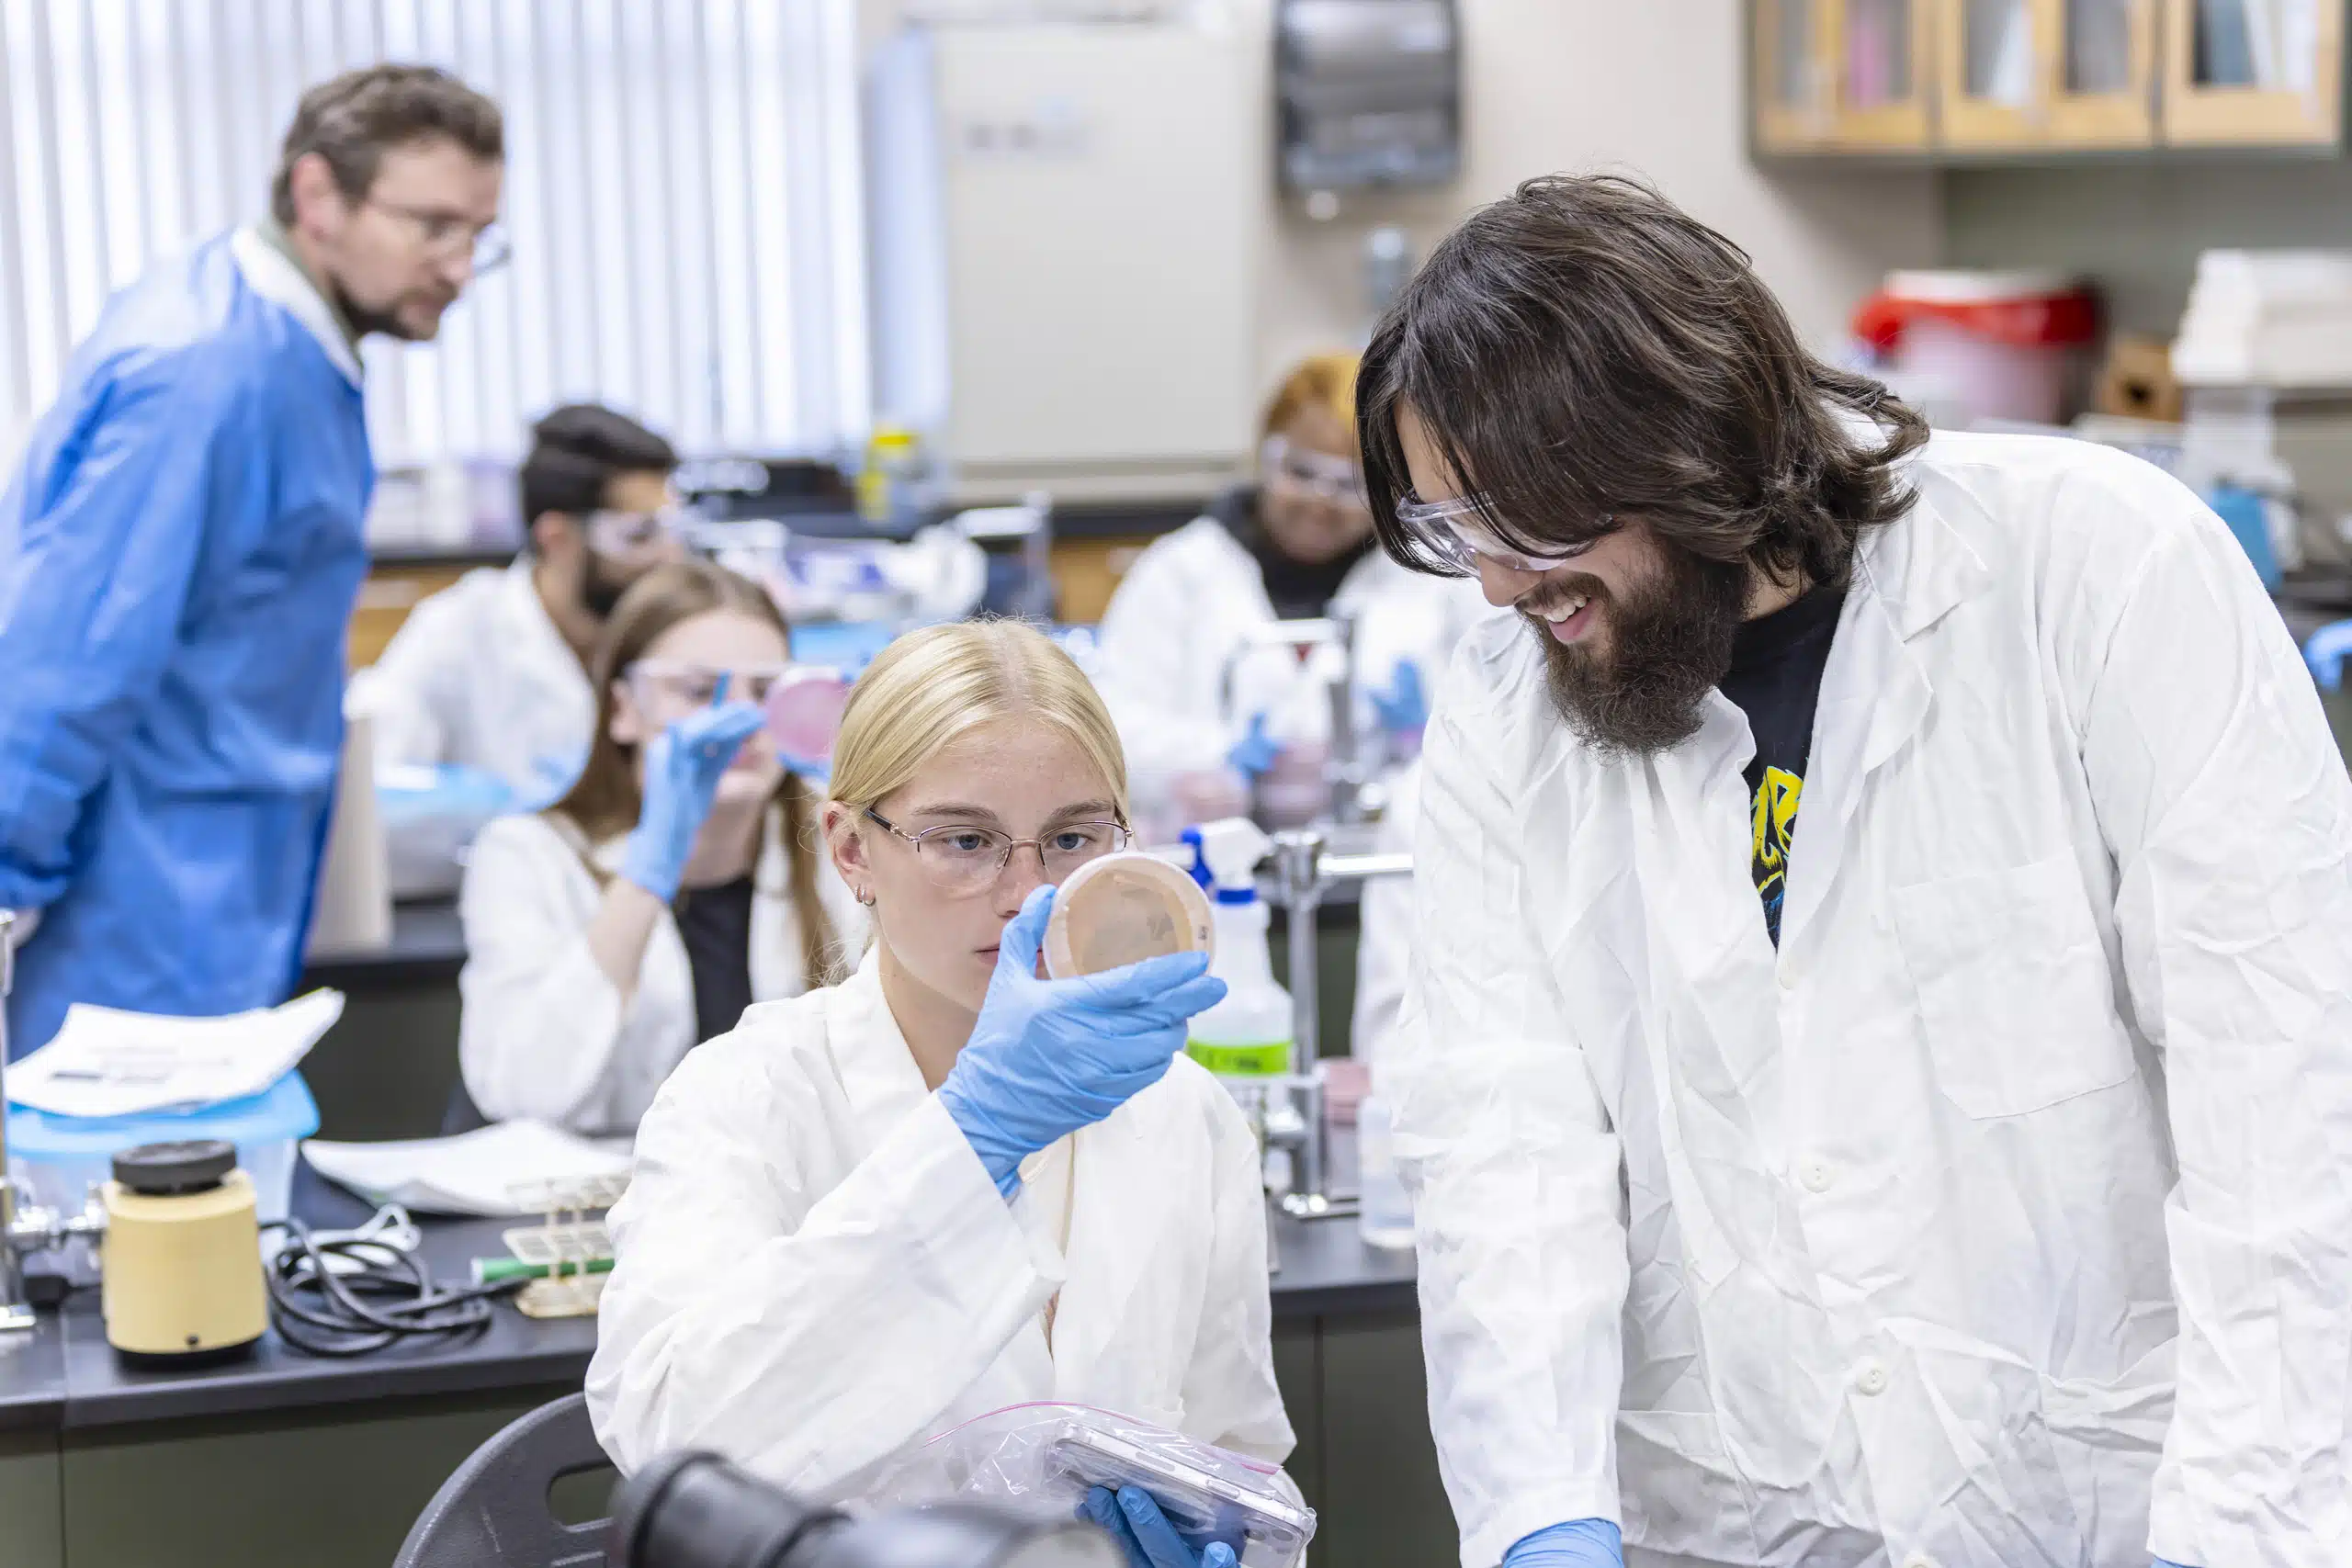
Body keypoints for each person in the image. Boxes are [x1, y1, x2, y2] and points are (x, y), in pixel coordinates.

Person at [1359, 175, 2352, 1568]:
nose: (1501, 590)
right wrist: (1540, 1510)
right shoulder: (1505, 705)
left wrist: (2245, 1527)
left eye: (1530, 528)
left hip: (2109, 1502)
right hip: (1730, 1511)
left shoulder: (2094, 568)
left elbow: (2287, 1095)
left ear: (1686, 443)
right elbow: (1501, 1139)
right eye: (1460, 535)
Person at [588, 621, 1291, 1568]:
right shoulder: (744, 1098)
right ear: (850, 850)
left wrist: (1227, 1545)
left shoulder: (1181, 1113)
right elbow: (674, 1445)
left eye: (1072, 839)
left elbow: (1239, 1456)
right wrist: (972, 1141)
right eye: (965, 841)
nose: (1025, 895)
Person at [0, 64, 503, 1055]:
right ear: (318, 195)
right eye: (432, 226)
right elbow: (70, 657)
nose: (456, 266)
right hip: (134, 906)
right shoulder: (210, 371)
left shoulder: (292, 338)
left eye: (480, 237)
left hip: (210, 878)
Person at [458, 561, 861, 1135]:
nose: (740, 718)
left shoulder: (841, 843)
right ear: (623, 708)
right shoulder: (526, 856)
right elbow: (522, 1092)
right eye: (699, 691)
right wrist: (649, 869)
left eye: (767, 692)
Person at [1092, 353, 1487, 821]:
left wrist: (1422, 736)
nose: (1320, 503)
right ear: (1265, 455)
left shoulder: (1433, 576)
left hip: (1383, 860)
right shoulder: (1180, 573)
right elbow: (1110, 730)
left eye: (1348, 485)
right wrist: (1216, 753)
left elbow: (1489, 722)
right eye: (1300, 472)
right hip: (1213, 862)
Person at [356, 403, 686, 799]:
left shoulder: (677, 632)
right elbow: (376, 776)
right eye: (639, 534)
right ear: (556, 537)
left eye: (672, 530)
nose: (670, 556)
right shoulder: (460, 630)